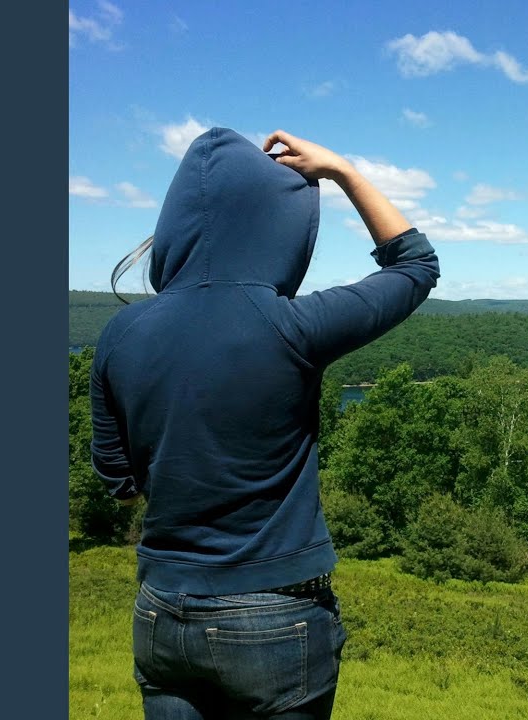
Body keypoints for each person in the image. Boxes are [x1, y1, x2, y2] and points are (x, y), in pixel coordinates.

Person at [89, 127, 441, 719]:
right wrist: (342, 170)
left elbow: (120, 484)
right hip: (275, 614)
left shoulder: (119, 335)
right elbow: (416, 265)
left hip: (161, 612)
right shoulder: (293, 325)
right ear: (276, 228)